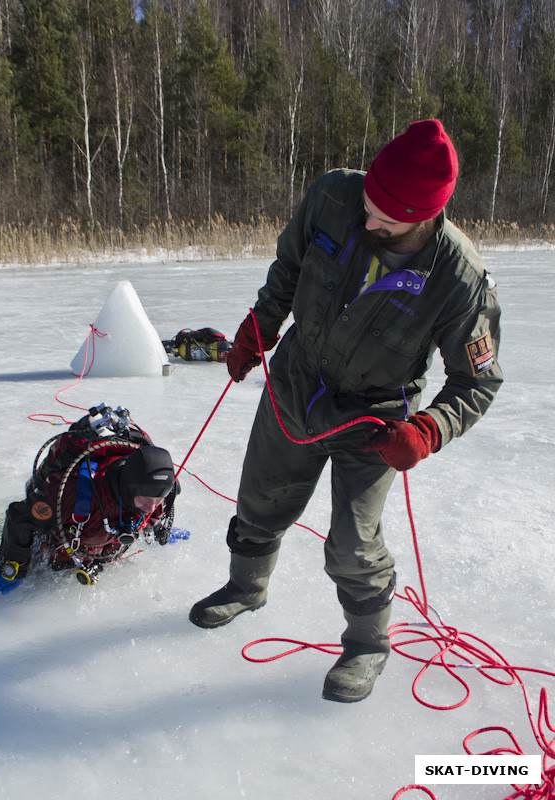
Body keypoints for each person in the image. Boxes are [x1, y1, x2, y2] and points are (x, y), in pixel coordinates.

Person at [188, 119, 504, 703]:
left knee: (353, 544)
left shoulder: (460, 280)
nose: (367, 222)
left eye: (386, 219)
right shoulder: (334, 193)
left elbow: (476, 383)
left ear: (425, 214)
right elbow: (287, 269)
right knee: (261, 499)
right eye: (368, 205)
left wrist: (427, 431)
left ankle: (366, 647)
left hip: (375, 419)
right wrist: (258, 327)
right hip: (296, 380)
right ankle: (246, 587)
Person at [0, 405, 178, 597]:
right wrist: (13, 565)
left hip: (101, 556)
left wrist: (162, 531)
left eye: (158, 499)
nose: (151, 507)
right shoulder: (70, 493)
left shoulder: (157, 494)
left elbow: (157, 511)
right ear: (128, 487)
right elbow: (19, 516)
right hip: (57, 556)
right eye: (145, 500)